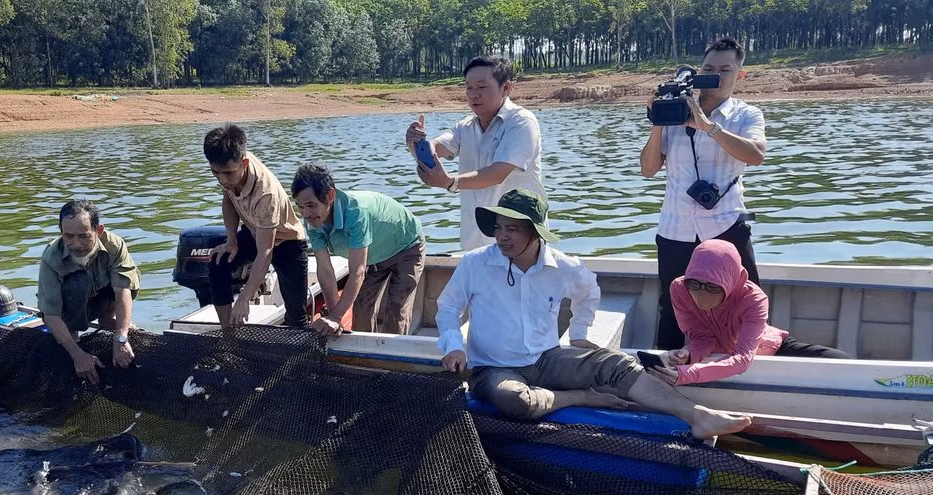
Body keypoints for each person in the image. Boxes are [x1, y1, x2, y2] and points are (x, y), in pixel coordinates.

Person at [436, 188, 752, 439]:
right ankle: (581, 397)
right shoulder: (475, 263)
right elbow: (448, 307)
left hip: (547, 360)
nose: (502, 236)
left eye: (513, 229)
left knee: (616, 363)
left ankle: (698, 416)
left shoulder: (564, 266)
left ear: (535, 233)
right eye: (499, 228)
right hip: (493, 368)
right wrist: (452, 345)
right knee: (517, 401)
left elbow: (589, 292)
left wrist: (579, 332)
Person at [640, 36, 768, 350]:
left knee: (745, 301)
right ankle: (664, 375)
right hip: (676, 228)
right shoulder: (675, 112)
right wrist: (658, 117)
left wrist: (706, 125)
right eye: (709, 68)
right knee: (669, 308)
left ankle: (748, 364)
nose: (716, 75)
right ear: (697, 72)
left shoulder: (746, 115)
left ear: (740, 74)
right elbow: (648, 168)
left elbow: (755, 155)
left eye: (725, 69)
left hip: (726, 226)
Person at [646, 240, 849, 387]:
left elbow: (742, 359)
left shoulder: (755, 299)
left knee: (840, 361)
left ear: (729, 280)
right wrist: (689, 353)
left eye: (712, 287)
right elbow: (702, 336)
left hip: (767, 347)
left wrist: (685, 375)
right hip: (719, 354)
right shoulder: (679, 289)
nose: (700, 293)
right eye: (695, 283)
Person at [404, 55, 544, 252]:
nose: (473, 94)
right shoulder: (465, 126)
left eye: (482, 87)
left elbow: (497, 173)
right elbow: (438, 147)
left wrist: (450, 182)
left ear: (506, 88)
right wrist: (417, 143)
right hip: (474, 242)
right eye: (469, 87)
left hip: (520, 243)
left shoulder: (521, 122)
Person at [291, 163, 426, 336]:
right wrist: (334, 316)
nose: (306, 213)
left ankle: (389, 360)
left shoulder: (356, 212)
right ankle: (364, 358)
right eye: (300, 206)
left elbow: (358, 272)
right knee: (361, 307)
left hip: (407, 246)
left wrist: (336, 316)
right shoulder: (312, 222)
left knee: (396, 309)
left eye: (311, 205)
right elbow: (325, 269)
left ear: (330, 195)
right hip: (374, 255)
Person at [203, 124, 309, 328]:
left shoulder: (265, 193)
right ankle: (229, 333)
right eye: (215, 173)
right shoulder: (229, 168)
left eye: (227, 173)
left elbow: (266, 252)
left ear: (244, 162)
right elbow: (229, 199)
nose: (222, 180)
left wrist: (244, 297)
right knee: (218, 263)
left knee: (297, 316)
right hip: (255, 230)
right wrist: (231, 241)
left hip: (287, 242)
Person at [37, 200, 140, 385]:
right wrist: (78, 356)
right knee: (77, 281)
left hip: (101, 299)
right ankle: (72, 333)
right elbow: (51, 315)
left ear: (98, 231)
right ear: (60, 231)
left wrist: (121, 337)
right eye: (69, 236)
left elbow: (122, 290)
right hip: (67, 310)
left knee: (127, 279)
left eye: (83, 236)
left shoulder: (114, 245)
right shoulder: (51, 257)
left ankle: (108, 320)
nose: (76, 244)